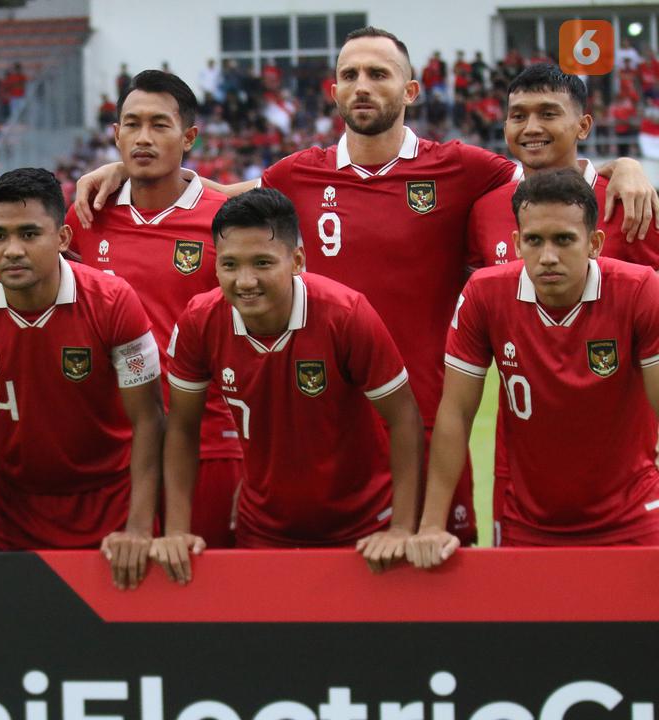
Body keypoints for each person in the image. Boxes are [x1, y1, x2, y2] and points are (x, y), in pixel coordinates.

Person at [74, 27, 658, 548]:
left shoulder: (464, 171)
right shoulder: (296, 173)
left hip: (426, 417)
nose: (362, 85)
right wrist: (136, 166)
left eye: (379, 74)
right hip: (324, 423)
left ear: (410, 92)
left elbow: (550, 170)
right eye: (350, 74)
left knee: (432, 579)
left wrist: (621, 167)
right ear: (332, 91)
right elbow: (217, 198)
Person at [159, 189, 422, 583]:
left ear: (297, 260)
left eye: (262, 263)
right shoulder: (200, 320)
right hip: (263, 528)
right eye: (229, 264)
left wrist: (402, 527)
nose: (244, 281)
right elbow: (181, 427)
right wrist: (177, 530)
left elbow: (404, 419)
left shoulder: (345, 314)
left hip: (365, 527)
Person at [0, 168, 164, 589]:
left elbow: (149, 418)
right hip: (14, 512)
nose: (12, 250)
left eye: (30, 234)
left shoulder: (113, 302)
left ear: (63, 239)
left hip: (111, 509)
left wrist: (139, 527)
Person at [409, 169, 659, 567]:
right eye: (534, 240)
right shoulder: (485, 295)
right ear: (516, 242)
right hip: (528, 521)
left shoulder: (641, 290)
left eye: (564, 240)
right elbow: (455, 412)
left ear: (594, 243)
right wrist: (431, 525)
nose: (547, 256)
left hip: (632, 516)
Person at [465, 64, 659, 541]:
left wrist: (630, 167)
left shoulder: (627, 201)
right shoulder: (487, 208)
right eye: (519, 116)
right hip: (522, 482)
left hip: (623, 482)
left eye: (548, 113)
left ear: (583, 126)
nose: (531, 128)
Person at [66, 70, 242, 548]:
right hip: (112, 447)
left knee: (211, 592)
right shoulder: (86, 214)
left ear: (188, 137)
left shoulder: (223, 219)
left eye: (159, 125)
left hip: (207, 441)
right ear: (115, 134)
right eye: (132, 123)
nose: (143, 137)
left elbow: (289, 186)